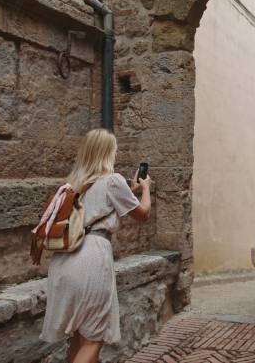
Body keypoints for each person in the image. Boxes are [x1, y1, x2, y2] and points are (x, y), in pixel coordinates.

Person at [39, 129, 152, 363]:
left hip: (63, 262)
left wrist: (130, 191)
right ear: (107, 153)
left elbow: (98, 206)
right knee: (93, 339)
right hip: (91, 258)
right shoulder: (112, 180)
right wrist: (146, 188)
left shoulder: (72, 186)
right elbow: (143, 214)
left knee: (80, 338)